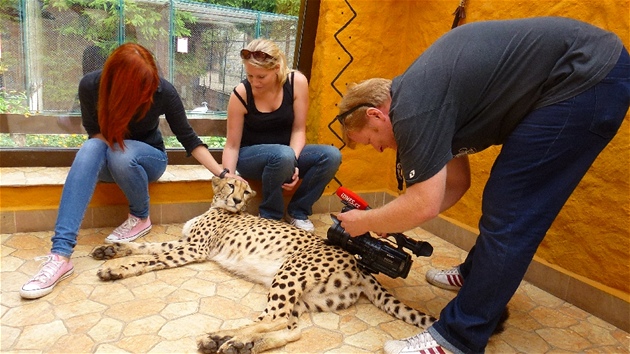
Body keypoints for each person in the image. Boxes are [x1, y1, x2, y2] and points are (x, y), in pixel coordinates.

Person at [334, 17, 628, 354]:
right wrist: (390, 220)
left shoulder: (412, 109)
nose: (380, 148)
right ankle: (475, 278)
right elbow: (457, 184)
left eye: (371, 140)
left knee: (511, 212)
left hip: (584, 78)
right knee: (505, 202)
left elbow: (424, 204)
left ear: (375, 115)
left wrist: (368, 221)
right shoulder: (424, 98)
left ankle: (458, 338)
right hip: (588, 74)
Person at [20, 43, 237, 300]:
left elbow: (188, 138)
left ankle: (140, 216)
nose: (147, 93)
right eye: (140, 90)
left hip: (147, 160)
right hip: (110, 158)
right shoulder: (91, 86)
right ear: (118, 85)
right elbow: (96, 133)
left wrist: (224, 174)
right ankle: (60, 256)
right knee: (92, 148)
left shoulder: (161, 89)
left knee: (121, 153)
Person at [222, 38, 341, 232]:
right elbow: (232, 145)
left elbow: (299, 129)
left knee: (331, 156)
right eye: (250, 76)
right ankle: (270, 216)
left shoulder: (297, 82)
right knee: (283, 154)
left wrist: (292, 163)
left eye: (261, 77)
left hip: (287, 154)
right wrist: (228, 177)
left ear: (277, 68)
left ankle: (298, 211)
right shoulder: (241, 94)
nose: (254, 82)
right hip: (251, 156)